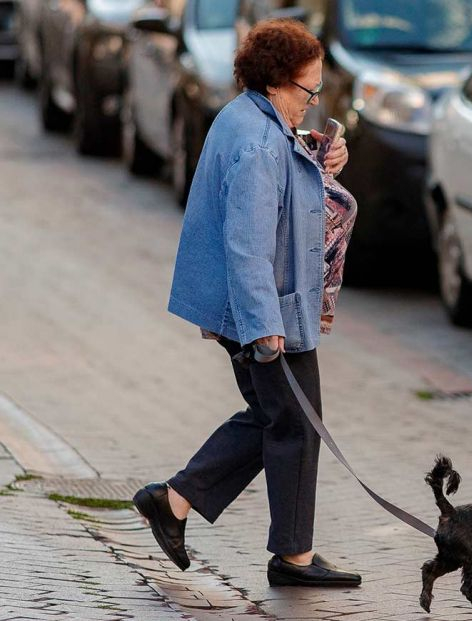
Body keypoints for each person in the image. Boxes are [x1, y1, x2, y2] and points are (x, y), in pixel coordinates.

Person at [133, 19, 360, 587]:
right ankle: (287, 556)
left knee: (277, 419)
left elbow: (282, 166)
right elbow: (248, 242)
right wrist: (264, 328)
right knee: (295, 425)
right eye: (308, 91)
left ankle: (179, 503)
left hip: (255, 305)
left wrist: (318, 153)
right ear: (279, 82)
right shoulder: (260, 143)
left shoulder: (246, 117)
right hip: (266, 309)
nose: (313, 102)